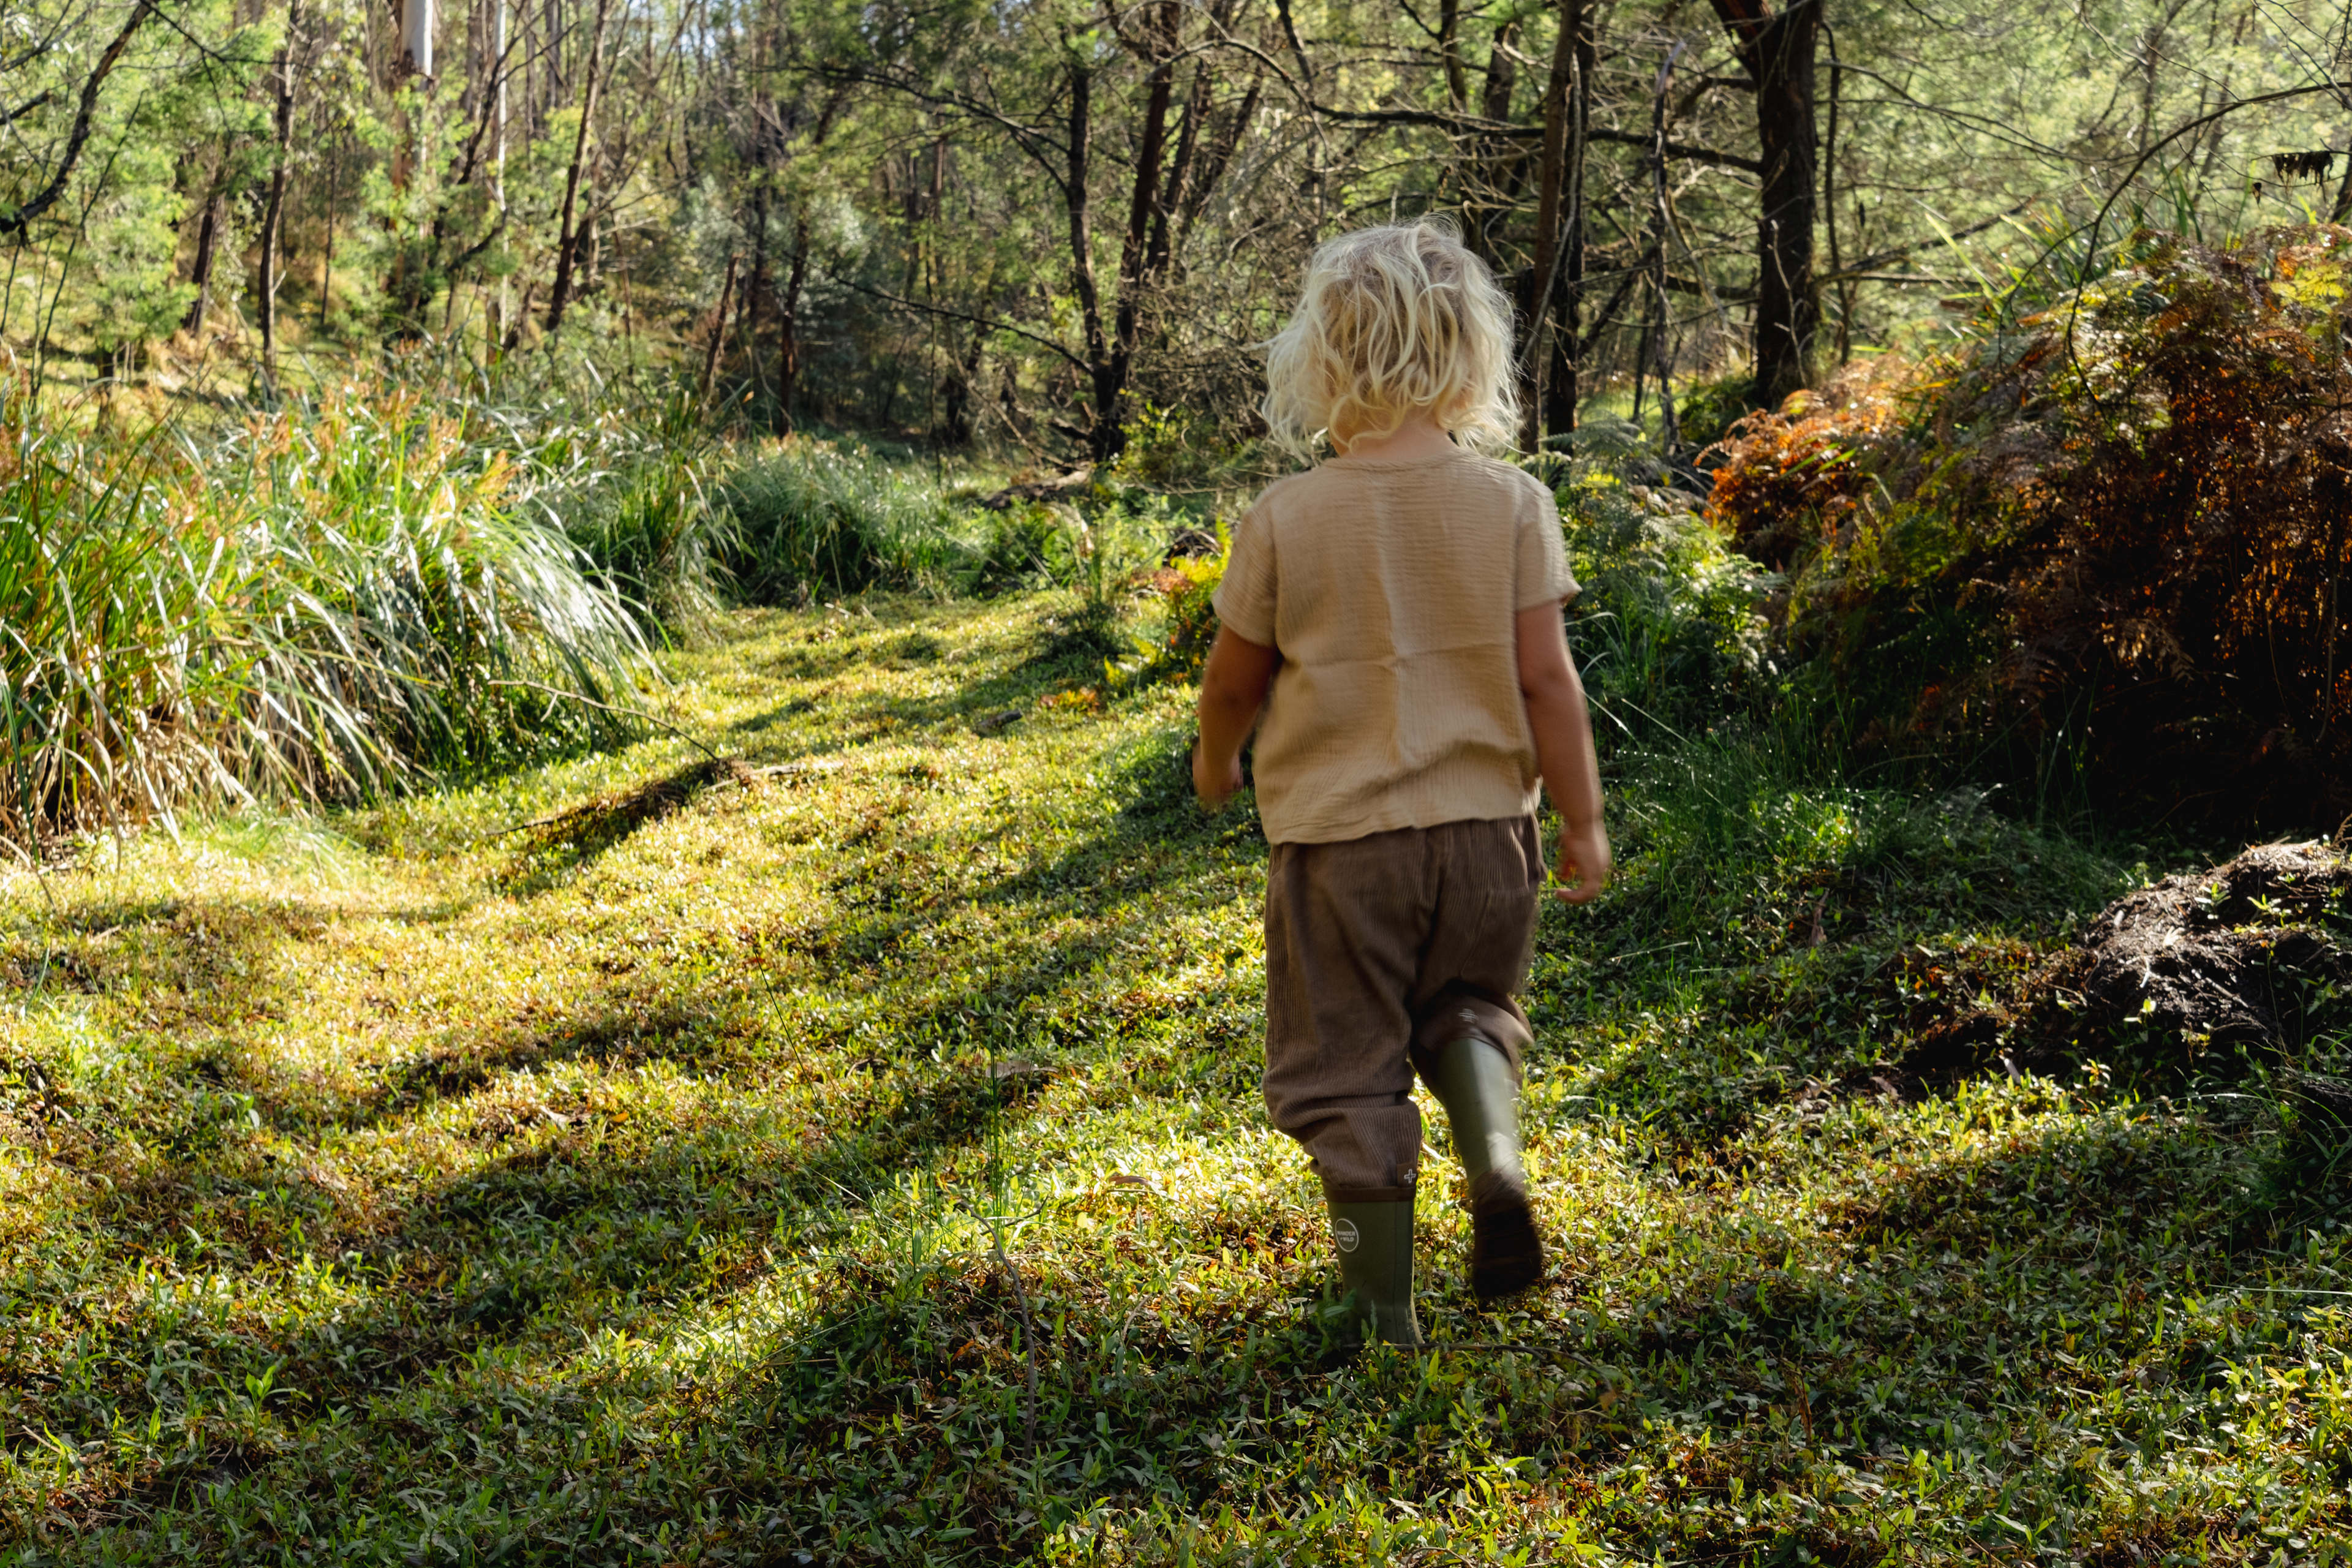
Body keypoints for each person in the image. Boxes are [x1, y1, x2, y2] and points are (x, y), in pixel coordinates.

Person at [1192, 219, 1610, 1358]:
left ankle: (1381, 1309)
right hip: (1489, 842)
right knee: (1470, 1008)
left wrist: (1218, 760)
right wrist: (1582, 819)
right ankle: (1496, 1159)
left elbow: (1233, 681)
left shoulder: (1286, 516)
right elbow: (1548, 680)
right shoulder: (1513, 503)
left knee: (1344, 1069)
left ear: (1322, 361)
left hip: (1342, 850)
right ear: (1471, 357)